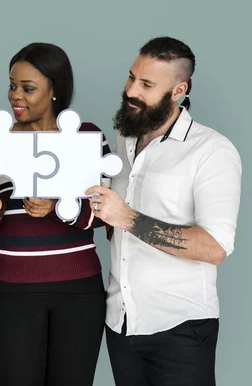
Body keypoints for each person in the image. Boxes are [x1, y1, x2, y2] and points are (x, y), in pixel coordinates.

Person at [86, 36, 242, 386]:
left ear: (178, 90)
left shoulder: (212, 151)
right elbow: (114, 227)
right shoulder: (122, 145)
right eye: (131, 77)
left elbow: (214, 247)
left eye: (146, 84)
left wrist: (127, 217)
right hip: (121, 325)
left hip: (180, 329)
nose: (130, 90)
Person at [0, 42, 112, 386]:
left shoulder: (88, 138)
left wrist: (61, 207)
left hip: (79, 291)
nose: (15, 96)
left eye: (27, 88)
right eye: (12, 85)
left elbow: (106, 214)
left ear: (54, 91)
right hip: (10, 292)